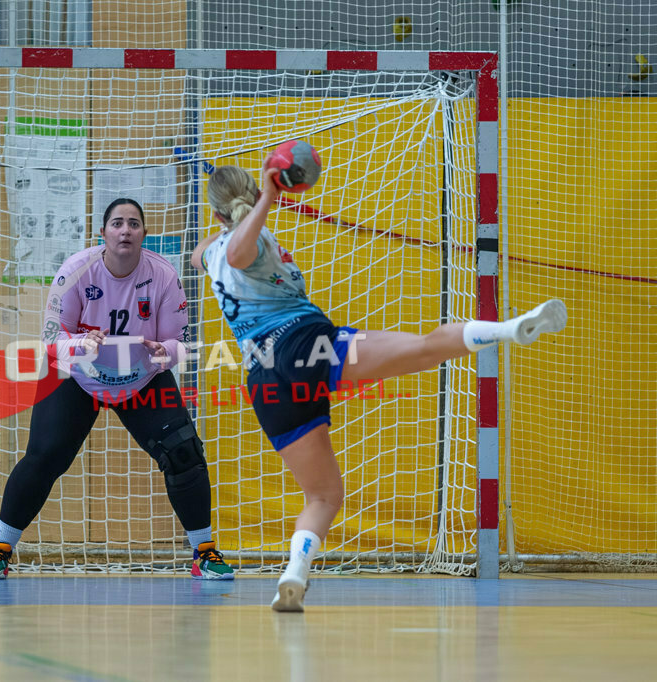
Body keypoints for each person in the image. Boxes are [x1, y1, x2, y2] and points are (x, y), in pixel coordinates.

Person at [191, 163, 567, 611]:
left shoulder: (210, 253)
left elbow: (204, 254)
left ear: (217, 215)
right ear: (253, 200)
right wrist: (269, 197)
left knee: (323, 494)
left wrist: (235, 209)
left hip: (264, 375)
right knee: (425, 349)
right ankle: (506, 329)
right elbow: (238, 253)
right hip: (306, 345)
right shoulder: (245, 244)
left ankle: (294, 573)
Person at [0, 198, 234, 581]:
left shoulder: (164, 275)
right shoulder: (75, 272)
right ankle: (0, 550)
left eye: (133, 223)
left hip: (141, 377)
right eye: (117, 223)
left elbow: (180, 344)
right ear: (103, 233)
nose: (125, 230)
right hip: (76, 374)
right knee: (44, 457)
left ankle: (204, 552)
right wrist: (82, 344)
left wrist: (165, 352)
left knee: (183, 452)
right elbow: (51, 341)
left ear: (144, 233)